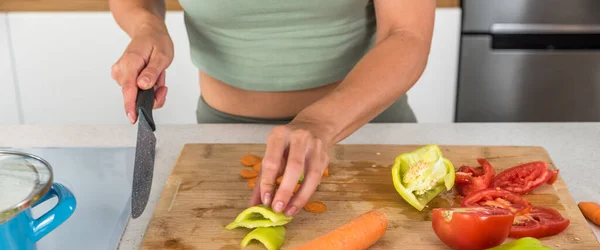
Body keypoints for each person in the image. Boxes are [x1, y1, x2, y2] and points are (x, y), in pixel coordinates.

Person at [109, 0, 435, 217]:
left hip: (366, 135)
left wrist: (320, 122)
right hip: (219, 138)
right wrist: (147, 26)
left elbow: (406, 33)